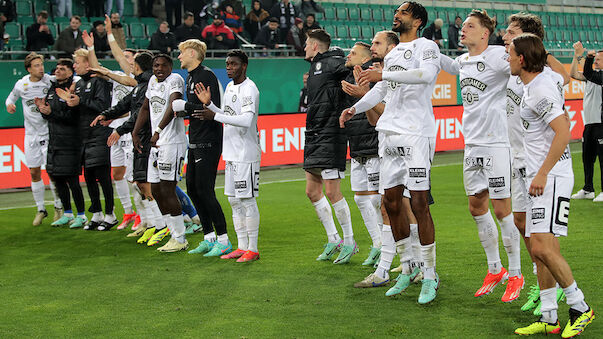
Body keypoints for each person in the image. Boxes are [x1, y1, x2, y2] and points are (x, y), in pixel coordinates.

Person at [340, 2, 441, 304]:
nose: (397, 15)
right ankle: (407, 267)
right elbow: (383, 91)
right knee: (391, 202)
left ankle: (431, 274)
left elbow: (424, 76)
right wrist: (354, 108)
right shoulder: (393, 55)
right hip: (389, 134)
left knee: (420, 203)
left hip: (415, 133)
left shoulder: (427, 47)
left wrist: (384, 76)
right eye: (396, 12)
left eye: (404, 12)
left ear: (418, 20)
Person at [509, 33, 595, 338]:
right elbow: (562, 75)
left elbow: (563, 131)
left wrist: (543, 173)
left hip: (552, 177)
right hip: (538, 178)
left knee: (543, 247)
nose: (507, 58)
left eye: (510, 53)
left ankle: (580, 307)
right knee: (539, 248)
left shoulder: (540, 90)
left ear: (522, 59)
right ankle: (548, 316)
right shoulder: (531, 83)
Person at [439, 10, 523, 302]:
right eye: (463, 26)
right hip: (472, 144)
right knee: (476, 207)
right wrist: (428, 50)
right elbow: (451, 66)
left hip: (497, 143)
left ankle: (516, 273)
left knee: (502, 210)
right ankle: (495, 269)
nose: (463, 31)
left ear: (485, 33)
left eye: (470, 27)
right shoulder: (463, 61)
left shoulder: (500, 55)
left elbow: (523, 66)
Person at [501, 11, 571, 310]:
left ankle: (558, 293)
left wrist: (543, 171)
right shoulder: (513, 65)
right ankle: (546, 292)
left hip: (542, 165)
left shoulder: (542, 78)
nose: (506, 35)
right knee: (522, 222)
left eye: (512, 31)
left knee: (542, 237)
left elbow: (563, 81)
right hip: (521, 157)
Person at [190, 49, 262, 262]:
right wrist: (209, 104)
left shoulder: (250, 89)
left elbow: (246, 120)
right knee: (233, 200)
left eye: (234, 64)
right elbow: (227, 115)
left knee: (247, 200)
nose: (229, 68)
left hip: (245, 152)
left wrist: (215, 115)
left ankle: (253, 249)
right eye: (228, 64)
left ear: (244, 66)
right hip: (230, 151)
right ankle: (241, 246)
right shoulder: (230, 86)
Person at [90, 52, 165, 236]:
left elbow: (139, 115)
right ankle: (151, 223)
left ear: (138, 66)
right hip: (140, 139)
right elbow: (125, 104)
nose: (131, 67)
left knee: (147, 183)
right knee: (140, 182)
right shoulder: (141, 86)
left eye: (133, 64)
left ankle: (162, 225)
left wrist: (119, 130)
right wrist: (107, 114)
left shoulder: (148, 85)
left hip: (147, 139)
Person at [303, 29, 355, 264]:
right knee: (312, 191)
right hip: (314, 133)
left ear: (315, 45)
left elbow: (354, 70)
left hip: (331, 132)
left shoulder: (335, 62)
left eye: (306, 43)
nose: (304, 47)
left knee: (333, 191)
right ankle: (333, 239)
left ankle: (350, 241)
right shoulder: (316, 66)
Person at [174, 39, 230, 256]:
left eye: (181, 53)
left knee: (205, 191)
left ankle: (224, 239)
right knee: (193, 190)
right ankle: (208, 237)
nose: (178, 57)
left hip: (209, 140)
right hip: (195, 138)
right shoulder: (191, 77)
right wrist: (185, 110)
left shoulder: (205, 75)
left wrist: (186, 106)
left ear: (191, 53)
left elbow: (211, 108)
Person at [84, 16, 140, 231]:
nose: (123, 60)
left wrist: (110, 35)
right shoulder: (118, 75)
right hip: (115, 130)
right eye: (123, 57)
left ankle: (146, 214)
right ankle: (128, 212)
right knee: (118, 174)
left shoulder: (138, 79)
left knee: (136, 177)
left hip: (131, 129)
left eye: (128, 57)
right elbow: (96, 67)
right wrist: (91, 48)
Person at [133, 54, 188, 252]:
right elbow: (146, 108)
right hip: (156, 144)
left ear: (171, 67)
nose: (159, 69)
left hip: (171, 141)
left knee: (167, 189)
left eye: (164, 65)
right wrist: (135, 132)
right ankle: (173, 234)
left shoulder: (175, 80)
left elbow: (174, 106)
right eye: (156, 65)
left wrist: (158, 131)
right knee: (155, 189)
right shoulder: (152, 82)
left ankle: (180, 238)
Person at [5, 53, 63, 226]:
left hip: (48, 133)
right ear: (29, 69)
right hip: (30, 135)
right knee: (34, 172)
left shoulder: (50, 80)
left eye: (41, 64)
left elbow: (67, 79)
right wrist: (9, 104)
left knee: (52, 172)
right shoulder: (22, 84)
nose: (41, 68)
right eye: (36, 65)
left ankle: (59, 206)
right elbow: (11, 97)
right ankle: (41, 209)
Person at [59, 48, 114, 230]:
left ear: (87, 64)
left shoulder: (100, 81)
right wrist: (70, 102)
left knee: (103, 176)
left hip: (100, 134)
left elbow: (103, 106)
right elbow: (78, 110)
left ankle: (110, 214)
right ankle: (96, 213)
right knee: (89, 176)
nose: (74, 66)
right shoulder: (79, 84)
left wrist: (79, 101)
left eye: (77, 62)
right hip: (84, 136)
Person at [34, 59, 86, 228]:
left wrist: (51, 113)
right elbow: (51, 114)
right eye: (56, 68)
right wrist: (44, 111)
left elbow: (72, 117)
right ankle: (67, 213)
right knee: (57, 179)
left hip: (70, 141)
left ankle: (81, 214)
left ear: (71, 72)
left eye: (62, 69)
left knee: (72, 180)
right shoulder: (52, 89)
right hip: (54, 140)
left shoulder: (74, 89)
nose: (57, 71)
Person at [570, 44, 603, 202]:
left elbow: (588, 73)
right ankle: (588, 188)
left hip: (601, 124)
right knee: (587, 158)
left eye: (598, 59)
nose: (596, 61)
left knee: (602, 159)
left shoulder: (598, 77)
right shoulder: (593, 77)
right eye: (595, 59)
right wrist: (576, 56)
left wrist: (586, 58)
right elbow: (574, 73)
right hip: (589, 124)